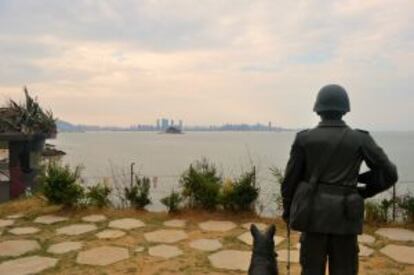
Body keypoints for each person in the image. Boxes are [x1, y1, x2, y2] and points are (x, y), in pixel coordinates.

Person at [281, 84, 398, 275]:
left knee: (310, 271)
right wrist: (361, 192)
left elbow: (289, 183)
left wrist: (288, 210)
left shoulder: (304, 139)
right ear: (345, 108)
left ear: (318, 108)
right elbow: (390, 174)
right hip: (346, 218)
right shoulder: (360, 139)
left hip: (312, 217)